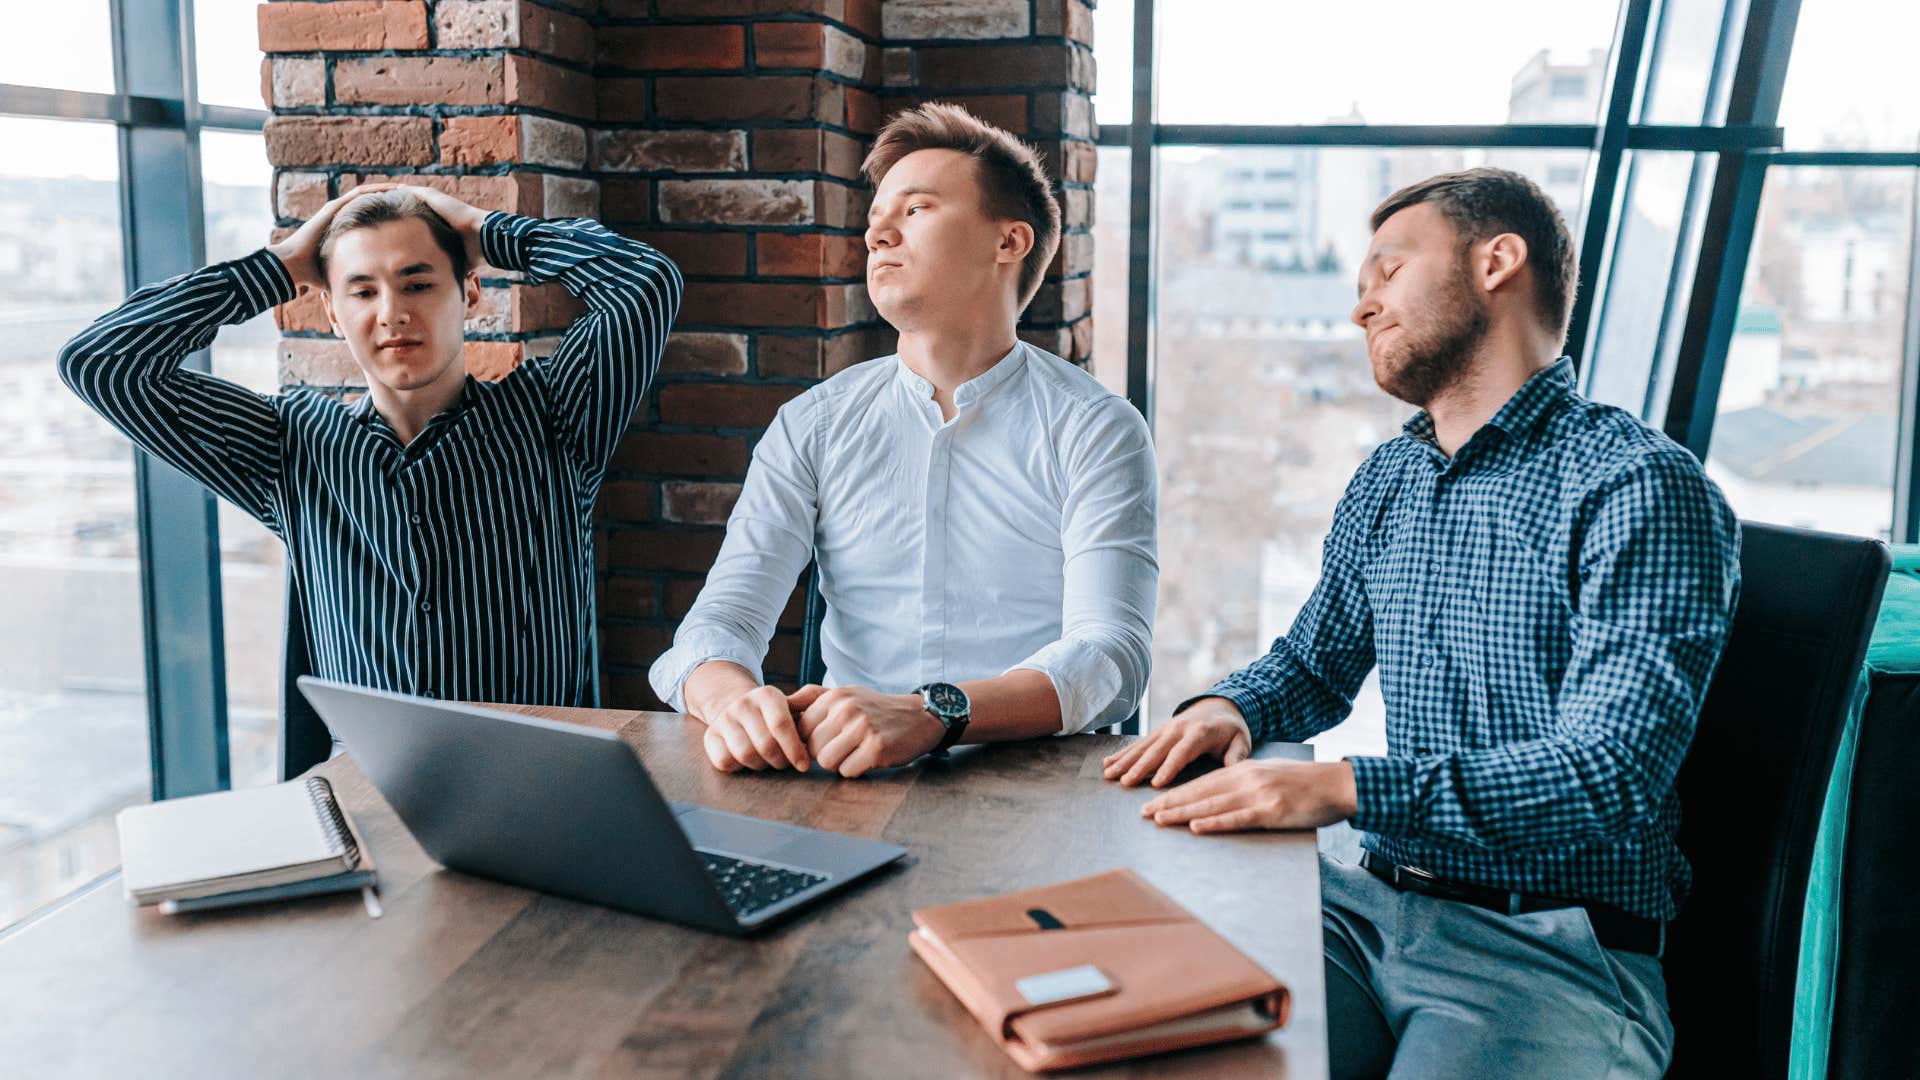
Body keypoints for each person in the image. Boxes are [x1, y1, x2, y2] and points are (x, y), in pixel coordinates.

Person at [1100, 168, 1739, 1078]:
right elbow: (1316, 665)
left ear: (1497, 261)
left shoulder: (1640, 485)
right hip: (1359, 911)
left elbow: (1611, 774)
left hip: (1551, 955)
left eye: (1388, 272)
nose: (1363, 309)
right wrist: (1227, 708)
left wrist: (1345, 789)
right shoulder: (1390, 479)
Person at [649, 102, 1157, 779]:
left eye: (915, 209)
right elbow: (718, 625)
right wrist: (734, 700)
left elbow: (1111, 657)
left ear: (1009, 242)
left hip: (1037, 791)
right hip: (840, 782)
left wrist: (935, 713)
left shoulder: (1097, 428)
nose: (879, 233)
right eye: (876, 218)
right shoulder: (813, 424)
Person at [59, 184, 681, 706]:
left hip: (543, 805)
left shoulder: (555, 415)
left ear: (467, 292)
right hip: (365, 808)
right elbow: (101, 363)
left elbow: (644, 282)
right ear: (331, 312)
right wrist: (279, 266)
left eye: (417, 284)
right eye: (363, 291)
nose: (392, 313)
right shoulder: (290, 447)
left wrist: (485, 230)